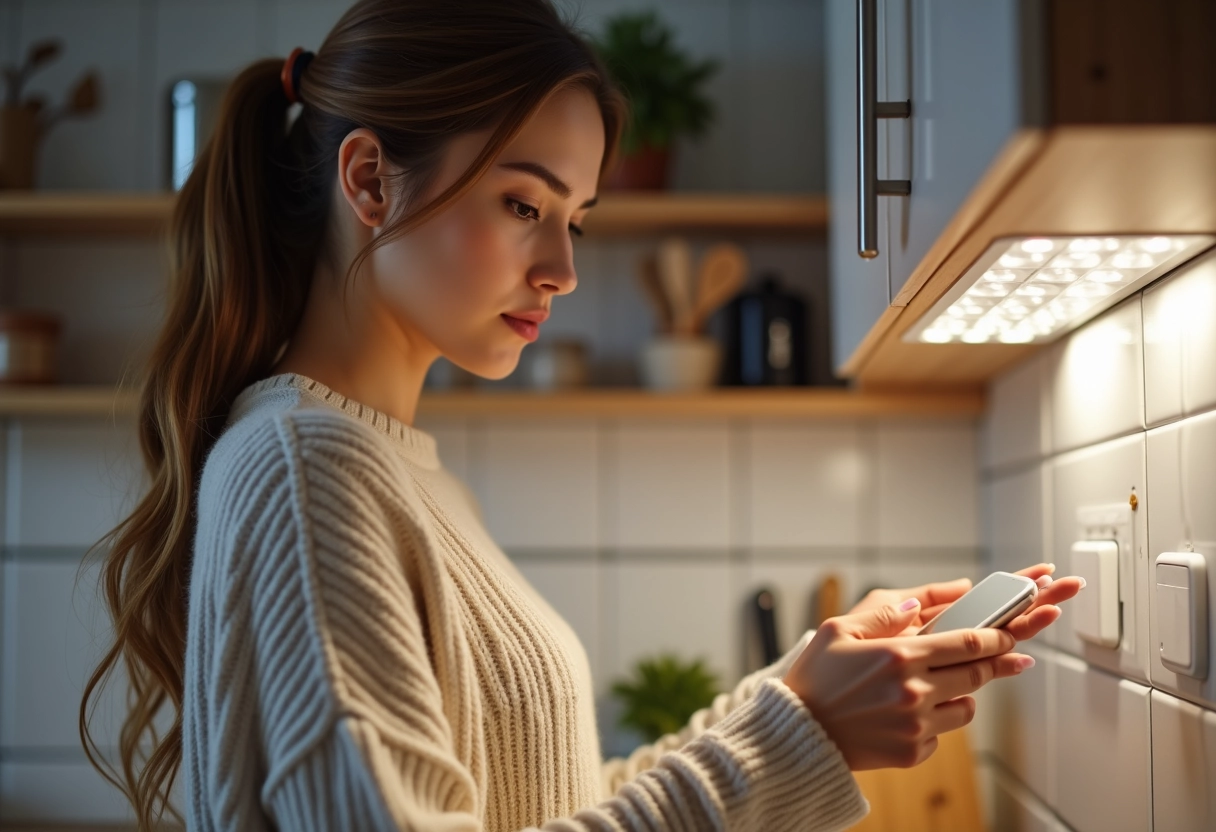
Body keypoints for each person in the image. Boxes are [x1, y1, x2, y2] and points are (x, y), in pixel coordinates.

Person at [79, 1, 1082, 830]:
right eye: (524, 204)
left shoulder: (386, 470)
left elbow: (553, 804)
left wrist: (795, 695)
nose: (560, 269)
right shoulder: (308, 468)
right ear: (369, 181)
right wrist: (801, 730)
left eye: (576, 219)